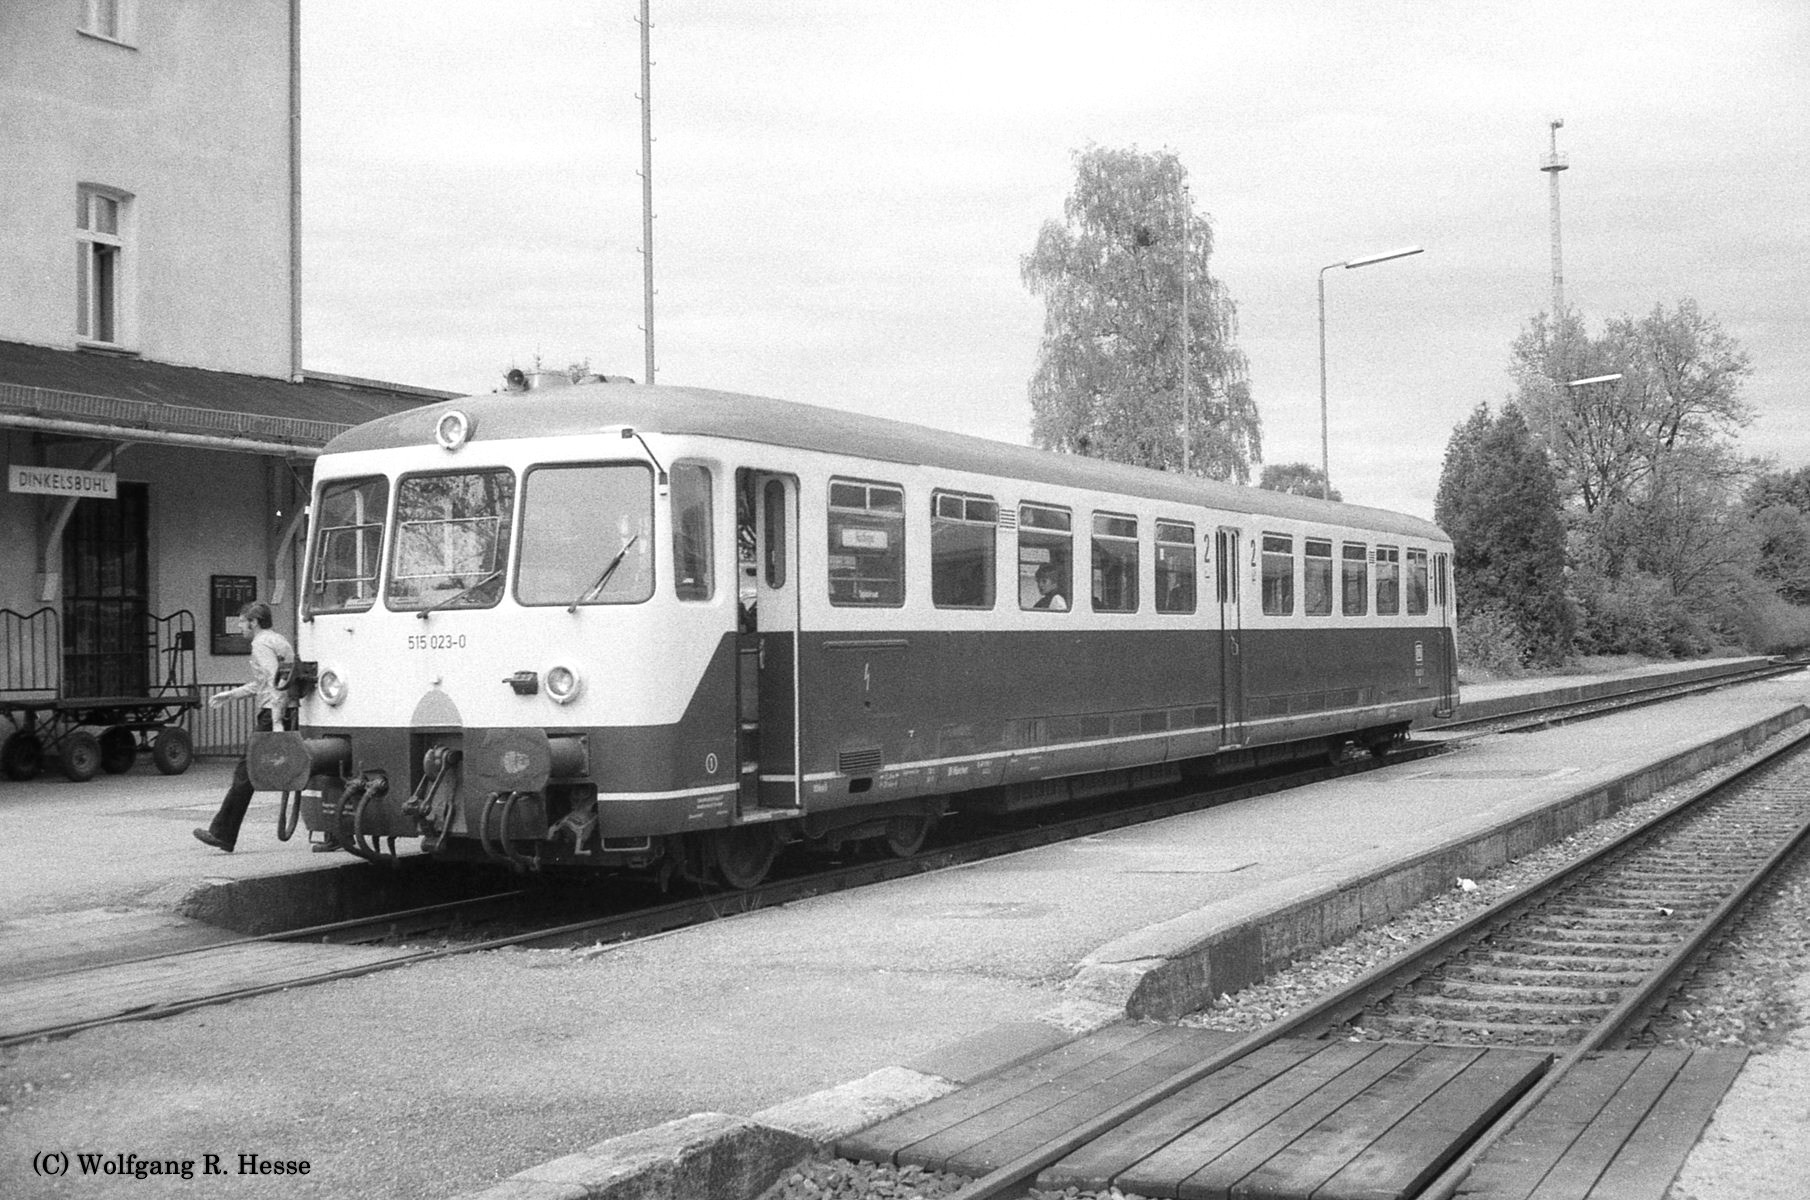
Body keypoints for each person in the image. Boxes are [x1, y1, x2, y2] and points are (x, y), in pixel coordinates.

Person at [193, 602, 296, 853]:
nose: (240, 626)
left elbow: (274, 682)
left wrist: (275, 721)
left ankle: (223, 834)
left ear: (254, 622)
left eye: (242, 621)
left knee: (245, 771)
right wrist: (232, 694)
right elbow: (268, 682)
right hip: (286, 710)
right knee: (296, 767)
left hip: (272, 715)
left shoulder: (260, 644)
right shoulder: (277, 640)